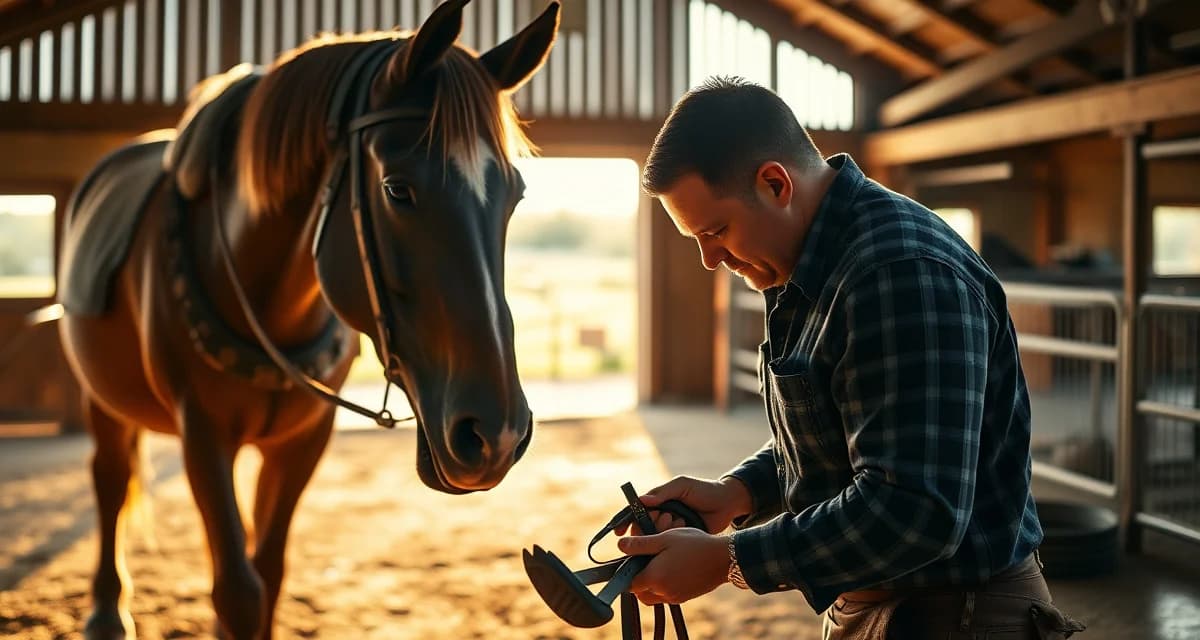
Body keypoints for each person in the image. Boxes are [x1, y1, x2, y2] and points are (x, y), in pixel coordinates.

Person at [614, 77, 1085, 639]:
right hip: (885, 606)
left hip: (957, 617)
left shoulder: (896, 272)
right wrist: (737, 494)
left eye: (715, 231)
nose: (710, 260)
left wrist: (729, 559)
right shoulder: (806, 267)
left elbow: (913, 510)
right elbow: (849, 427)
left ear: (774, 183)